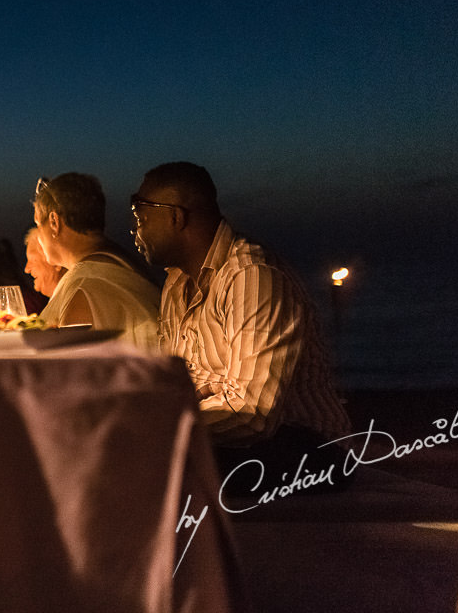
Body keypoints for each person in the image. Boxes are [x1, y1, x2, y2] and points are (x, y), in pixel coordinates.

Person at [131, 162, 351, 480]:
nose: (135, 231)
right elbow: (180, 384)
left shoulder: (252, 277)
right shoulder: (177, 283)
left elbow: (252, 414)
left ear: (175, 216)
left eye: (141, 219)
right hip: (238, 439)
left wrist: (154, 425)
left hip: (309, 447)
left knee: (140, 469)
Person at [32, 173, 162, 352]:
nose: (39, 236)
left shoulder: (85, 285)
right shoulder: (124, 264)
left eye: (39, 224)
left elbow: (71, 367)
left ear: (54, 222)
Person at [22, 226, 65, 313]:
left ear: (56, 260)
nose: (27, 270)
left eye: (33, 260)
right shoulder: (60, 304)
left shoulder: (73, 302)